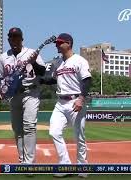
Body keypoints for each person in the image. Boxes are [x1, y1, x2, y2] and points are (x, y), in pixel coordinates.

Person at [41, 33, 92, 178]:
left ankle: (82, 165)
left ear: (68, 43)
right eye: (56, 43)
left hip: (75, 101)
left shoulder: (79, 60)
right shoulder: (59, 63)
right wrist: (40, 81)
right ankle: (65, 165)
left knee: (79, 136)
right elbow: (53, 80)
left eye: (59, 42)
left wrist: (81, 98)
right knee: (54, 132)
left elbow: (87, 80)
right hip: (60, 102)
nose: (56, 45)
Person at [0, 27, 46, 164]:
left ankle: (29, 162)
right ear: (8, 40)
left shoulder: (32, 53)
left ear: (22, 39)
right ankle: (22, 160)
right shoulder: (3, 57)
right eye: (11, 37)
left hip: (31, 92)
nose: (14, 40)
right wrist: (0, 90)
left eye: (17, 37)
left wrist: (33, 62)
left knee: (29, 126)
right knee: (17, 129)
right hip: (14, 95)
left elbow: (42, 72)